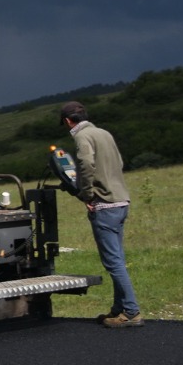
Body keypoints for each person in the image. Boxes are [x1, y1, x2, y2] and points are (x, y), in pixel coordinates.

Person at [61, 102, 143, 328]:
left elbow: (86, 164)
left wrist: (87, 194)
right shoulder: (104, 133)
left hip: (104, 205)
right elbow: (120, 162)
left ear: (68, 121)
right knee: (118, 259)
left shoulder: (82, 136)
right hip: (121, 201)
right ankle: (118, 309)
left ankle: (131, 312)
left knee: (113, 263)